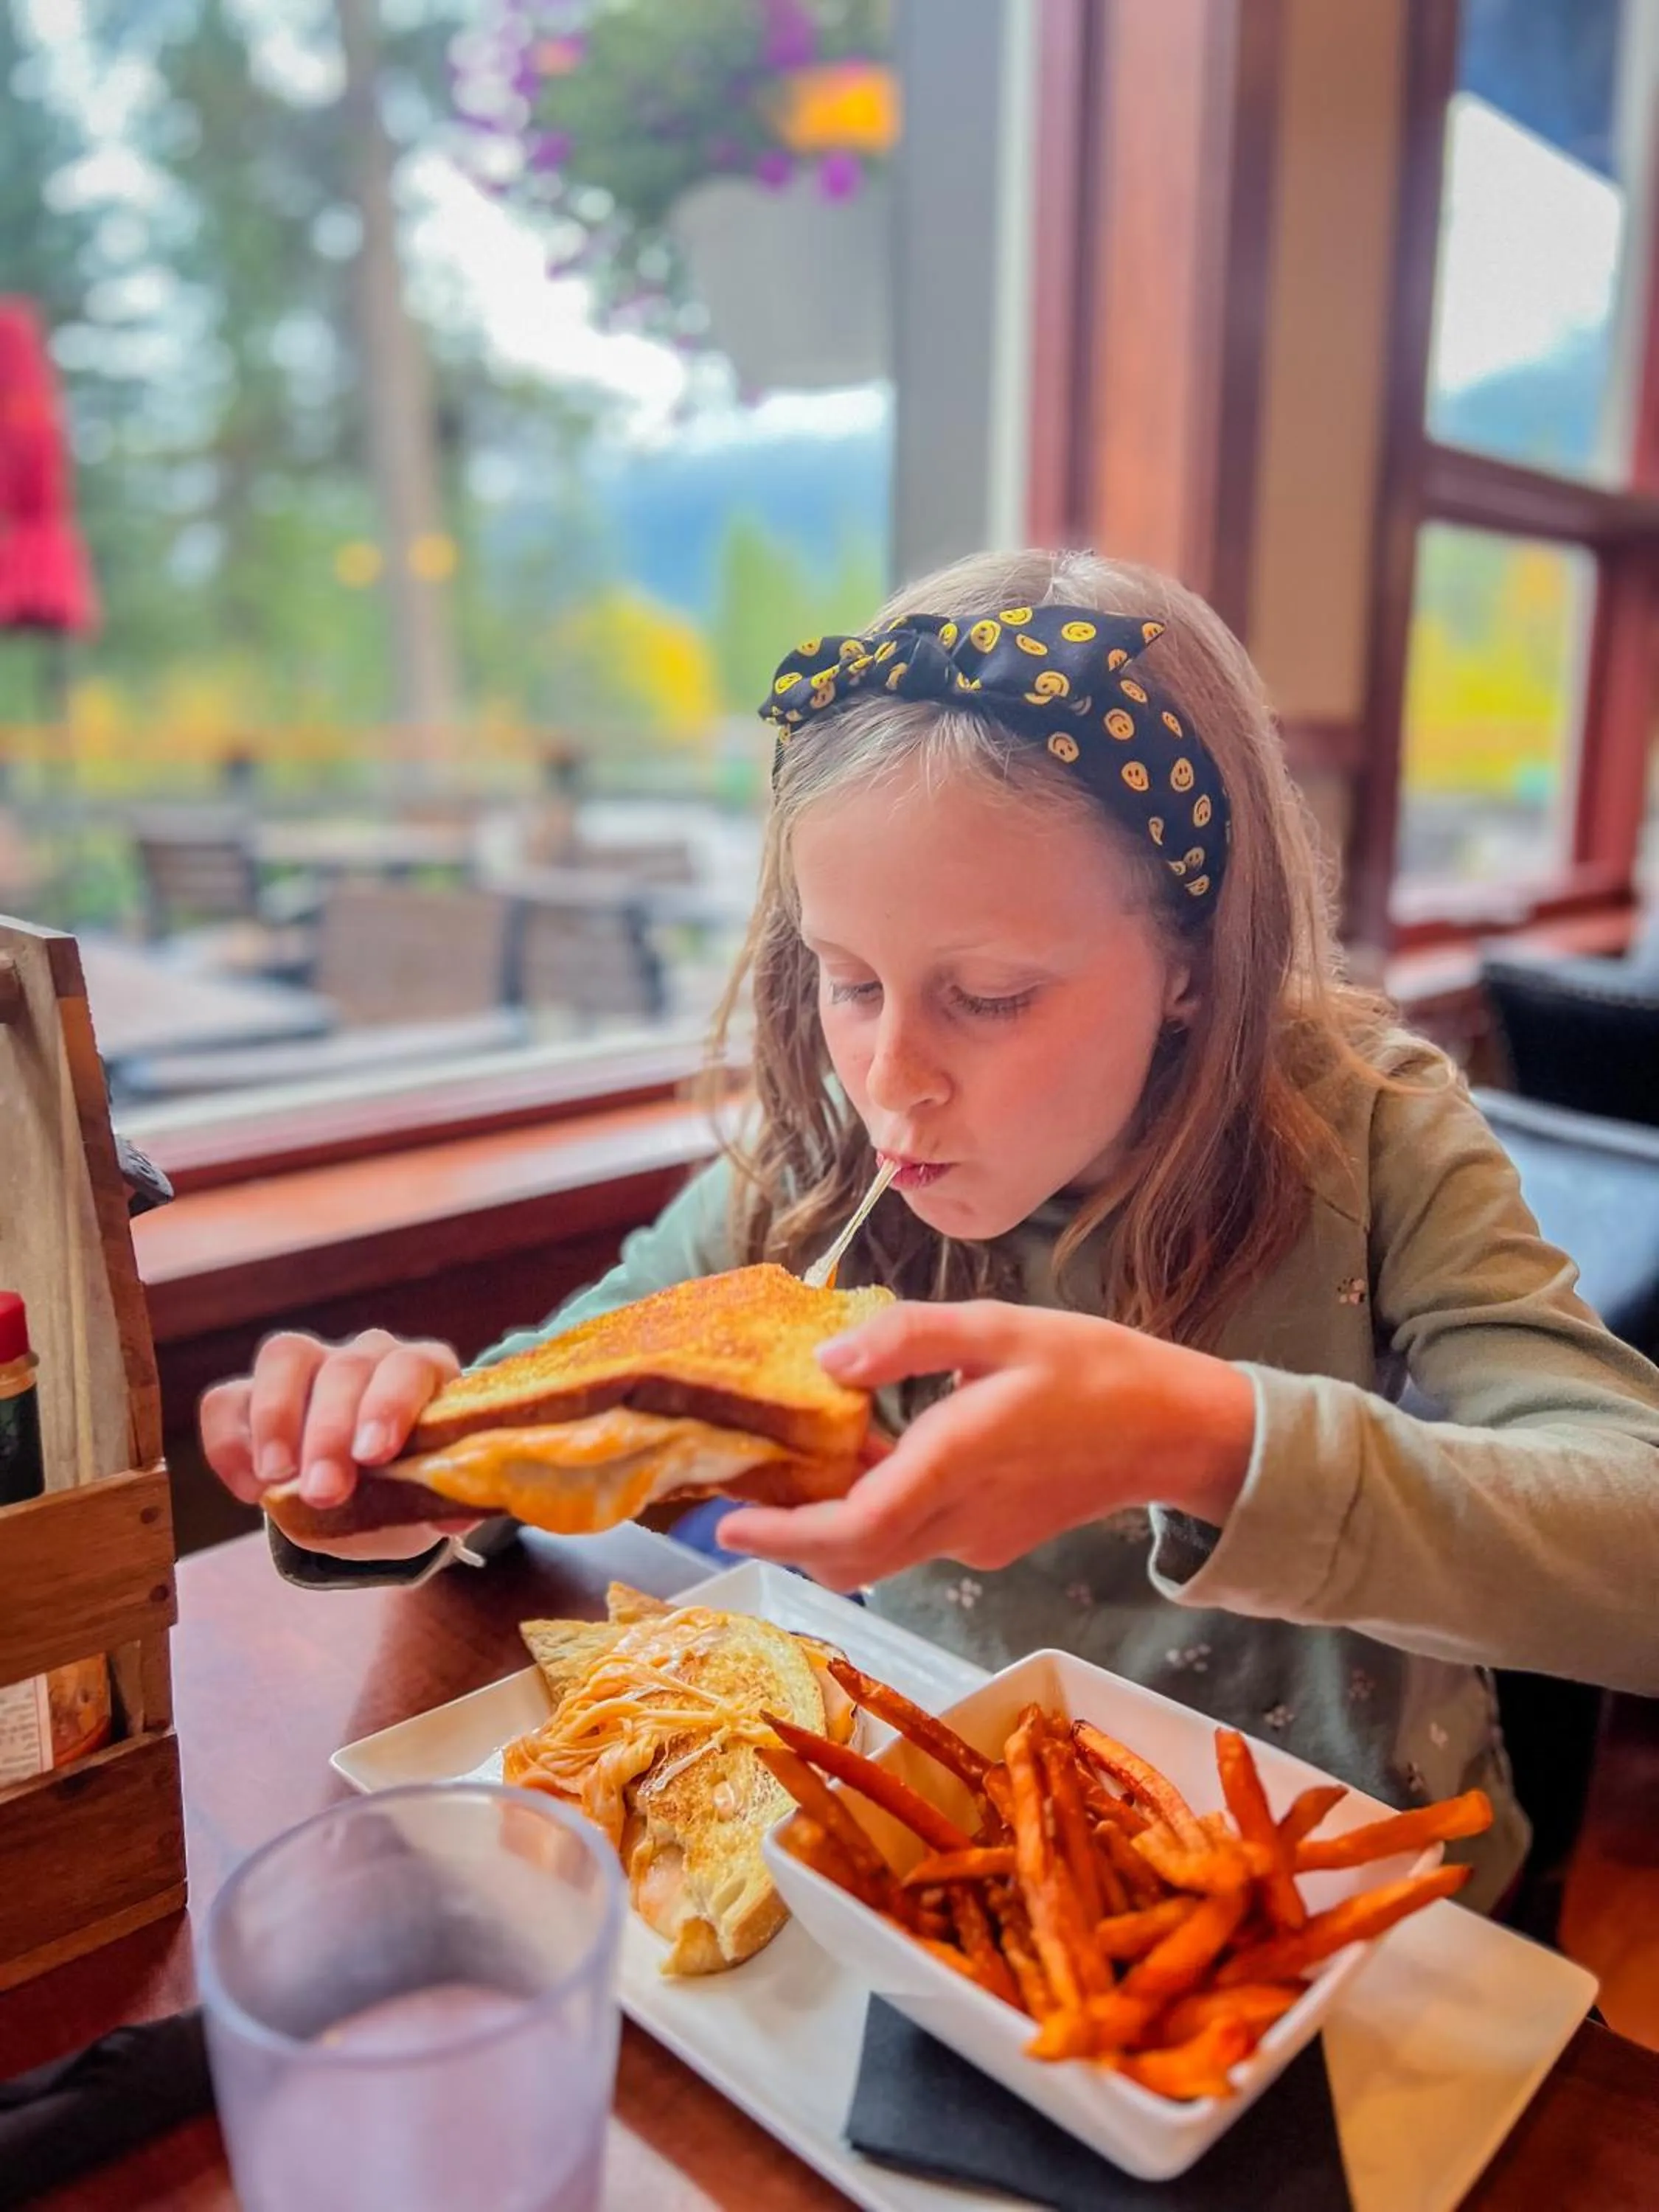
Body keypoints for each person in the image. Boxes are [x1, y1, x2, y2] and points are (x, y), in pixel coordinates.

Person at [198, 549, 1659, 1910]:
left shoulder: (1378, 1137)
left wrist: (1205, 1438)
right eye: (849, 982)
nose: (891, 1079)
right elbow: (526, 1428)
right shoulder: (815, 1175)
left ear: (1192, 966)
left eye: (990, 996)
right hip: (938, 1886)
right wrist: (366, 1453)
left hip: (1364, 1921)